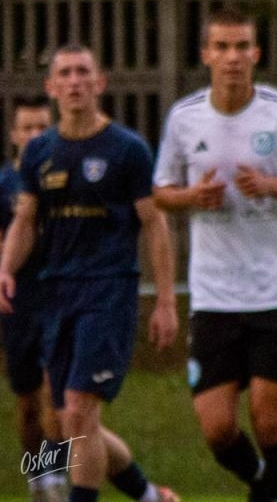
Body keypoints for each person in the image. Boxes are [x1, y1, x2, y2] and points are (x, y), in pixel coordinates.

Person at [154, 6, 277, 502]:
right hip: (214, 295)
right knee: (216, 429)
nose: (232, 57)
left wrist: (272, 186)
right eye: (222, 47)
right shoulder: (185, 118)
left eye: (241, 47)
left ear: (255, 53)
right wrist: (193, 198)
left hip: (275, 290)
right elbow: (161, 193)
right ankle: (263, 485)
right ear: (206, 54)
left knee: (269, 420)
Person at [0, 45, 180, 502]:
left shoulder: (125, 149)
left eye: (84, 72)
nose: (76, 81)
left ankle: (56, 489)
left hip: (103, 292)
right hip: (31, 305)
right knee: (44, 417)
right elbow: (22, 224)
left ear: (100, 82)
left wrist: (165, 299)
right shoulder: (24, 169)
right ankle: (49, 481)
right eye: (66, 73)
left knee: (77, 414)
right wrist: (5, 270)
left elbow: (155, 222)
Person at [2, 100, 69, 502]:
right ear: (13, 134)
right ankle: (36, 479)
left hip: (60, 297)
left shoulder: (64, 177)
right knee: (27, 402)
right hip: (18, 303)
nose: (33, 136)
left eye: (41, 128)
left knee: (55, 392)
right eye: (25, 128)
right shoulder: (4, 183)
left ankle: (56, 475)